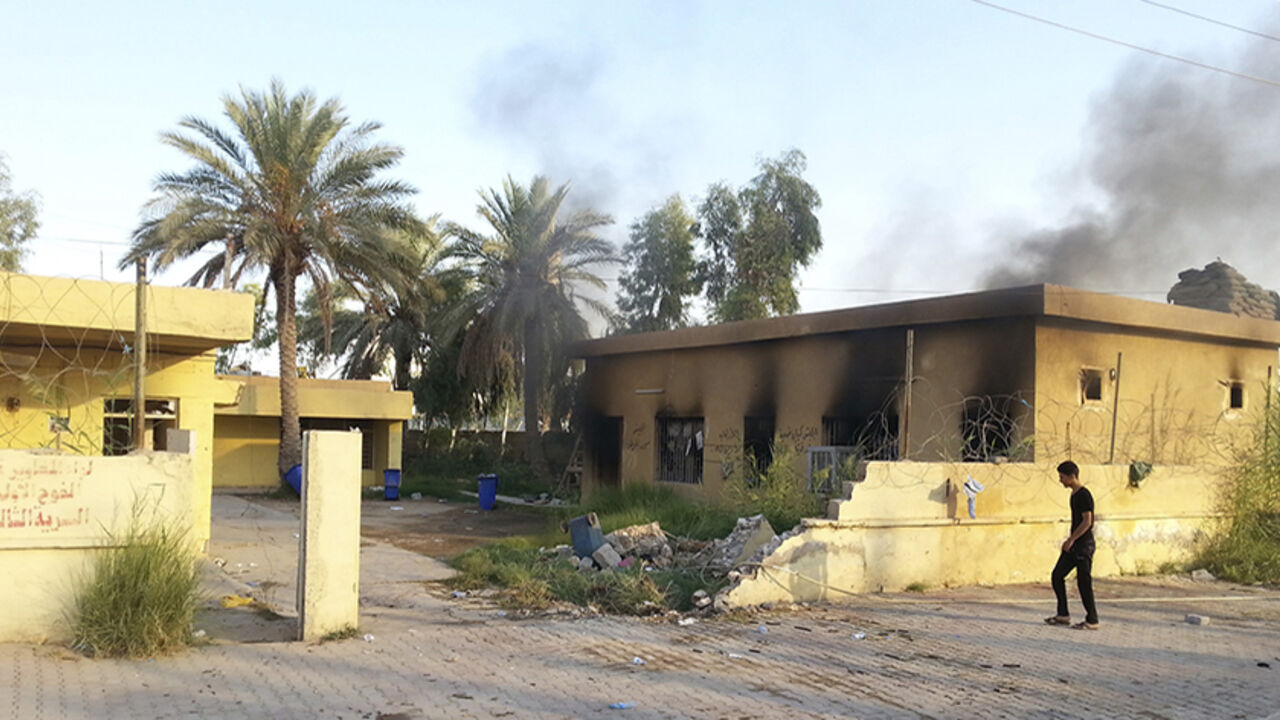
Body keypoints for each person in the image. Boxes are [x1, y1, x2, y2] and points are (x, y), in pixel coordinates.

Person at [1044, 460, 1099, 630]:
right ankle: (1063, 614)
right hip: (1074, 546)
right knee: (1057, 575)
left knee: (1083, 583)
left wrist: (1072, 539)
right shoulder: (1074, 494)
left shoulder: (1084, 494)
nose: (1060, 480)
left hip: (1083, 546)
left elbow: (1087, 521)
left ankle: (1092, 620)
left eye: (1062, 477)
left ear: (1071, 476)